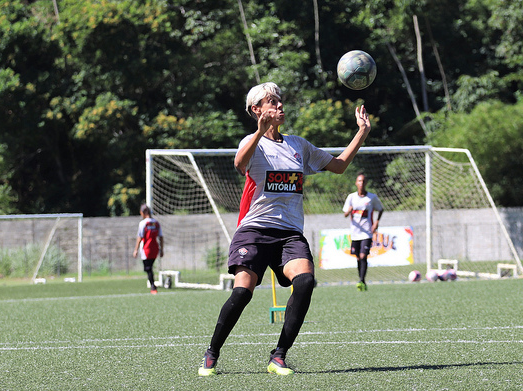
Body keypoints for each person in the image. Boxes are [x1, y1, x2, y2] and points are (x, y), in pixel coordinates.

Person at [198, 82, 371, 377]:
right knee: (242, 293)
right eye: (271, 102)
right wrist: (258, 130)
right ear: (257, 110)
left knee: (305, 282)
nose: (280, 106)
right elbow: (240, 163)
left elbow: (340, 166)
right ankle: (212, 353)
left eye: (280, 101)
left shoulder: (298, 146)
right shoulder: (251, 143)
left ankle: (278, 356)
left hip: (289, 233)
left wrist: (362, 132)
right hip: (253, 230)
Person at [343, 172, 384, 291]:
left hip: (367, 232)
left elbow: (380, 209)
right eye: (359, 181)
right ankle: (361, 280)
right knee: (357, 257)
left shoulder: (371, 197)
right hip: (355, 233)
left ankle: (361, 280)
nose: (361, 183)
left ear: (366, 183)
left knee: (363, 255)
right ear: (356, 183)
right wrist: (349, 210)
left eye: (363, 181)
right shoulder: (351, 197)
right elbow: (345, 214)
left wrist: (376, 222)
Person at [132, 204, 164, 295]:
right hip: (155, 249)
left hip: (146, 249)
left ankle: (153, 287)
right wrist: (161, 249)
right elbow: (161, 237)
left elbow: (140, 237)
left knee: (148, 268)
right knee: (149, 268)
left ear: (144, 212)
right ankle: (153, 284)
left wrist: (136, 250)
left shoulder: (143, 223)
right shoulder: (156, 223)